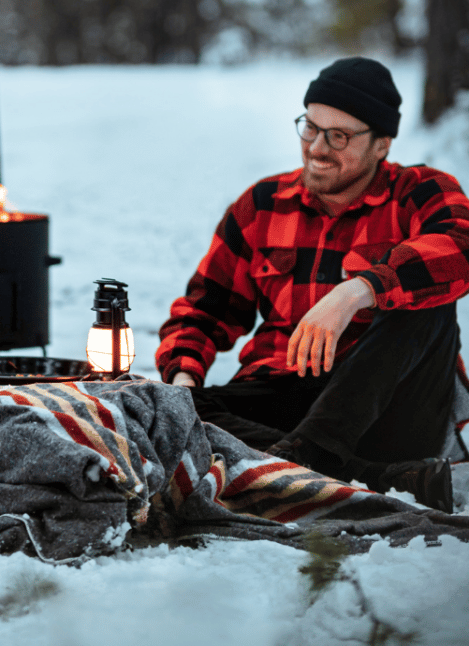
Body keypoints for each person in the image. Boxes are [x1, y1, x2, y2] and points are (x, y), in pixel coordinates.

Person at [157, 56, 469, 513]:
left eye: (339, 136)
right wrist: (183, 383)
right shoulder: (263, 203)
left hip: (383, 404)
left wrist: (357, 290)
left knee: (428, 300)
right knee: (164, 411)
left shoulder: (419, 191)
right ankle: (360, 475)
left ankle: (293, 464)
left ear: (381, 144)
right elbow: (205, 308)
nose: (318, 148)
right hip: (282, 396)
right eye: (310, 127)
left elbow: (460, 245)